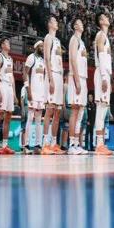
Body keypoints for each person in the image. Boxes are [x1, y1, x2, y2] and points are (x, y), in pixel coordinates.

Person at [67, 17, 89, 155]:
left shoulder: (82, 42)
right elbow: (73, 60)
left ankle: (76, 143)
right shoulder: (74, 40)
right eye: (80, 23)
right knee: (75, 110)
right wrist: (76, 80)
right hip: (76, 77)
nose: (82, 24)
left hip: (83, 77)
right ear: (75, 26)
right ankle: (71, 144)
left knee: (81, 111)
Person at [43, 16, 64, 154]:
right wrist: (50, 78)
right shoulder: (48, 38)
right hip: (52, 75)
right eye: (55, 21)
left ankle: (54, 143)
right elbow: (46, 58)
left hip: (59, 75)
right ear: (50, 24)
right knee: (50, 110)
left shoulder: (57, 40)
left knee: (57, 111)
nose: (57, 23)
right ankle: (45, 144)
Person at [93, 12, 113, 155]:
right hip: (101, 73)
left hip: (105, 73)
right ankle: (99, 144)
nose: (108, 18)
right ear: (101, 21)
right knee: (100, 109)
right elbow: (100, 56)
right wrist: (105, 77)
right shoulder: (100, 35)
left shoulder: (105, 36)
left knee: (104, 108)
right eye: (105, 17)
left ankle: (101, 144)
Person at [0, 37, 16, 155]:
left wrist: (14, 93)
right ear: (2, 45)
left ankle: (5, 145)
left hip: (10, 88)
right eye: (7, 42)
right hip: (2, 86)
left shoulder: (10, 59)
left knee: (8, 116)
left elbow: (12, 76)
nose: (9, 44)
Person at [23, 40, 45, 155]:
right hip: (33, 92)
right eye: (41, 46)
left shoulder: (43, 60)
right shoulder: (31, 57)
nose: (42, 48)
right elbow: (25, 73)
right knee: (30, 118)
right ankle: (26, 145)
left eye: (43, 46)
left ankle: (37, 145)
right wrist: (28, 89)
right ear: (36, 47)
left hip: (41, 93)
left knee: (38, 120)